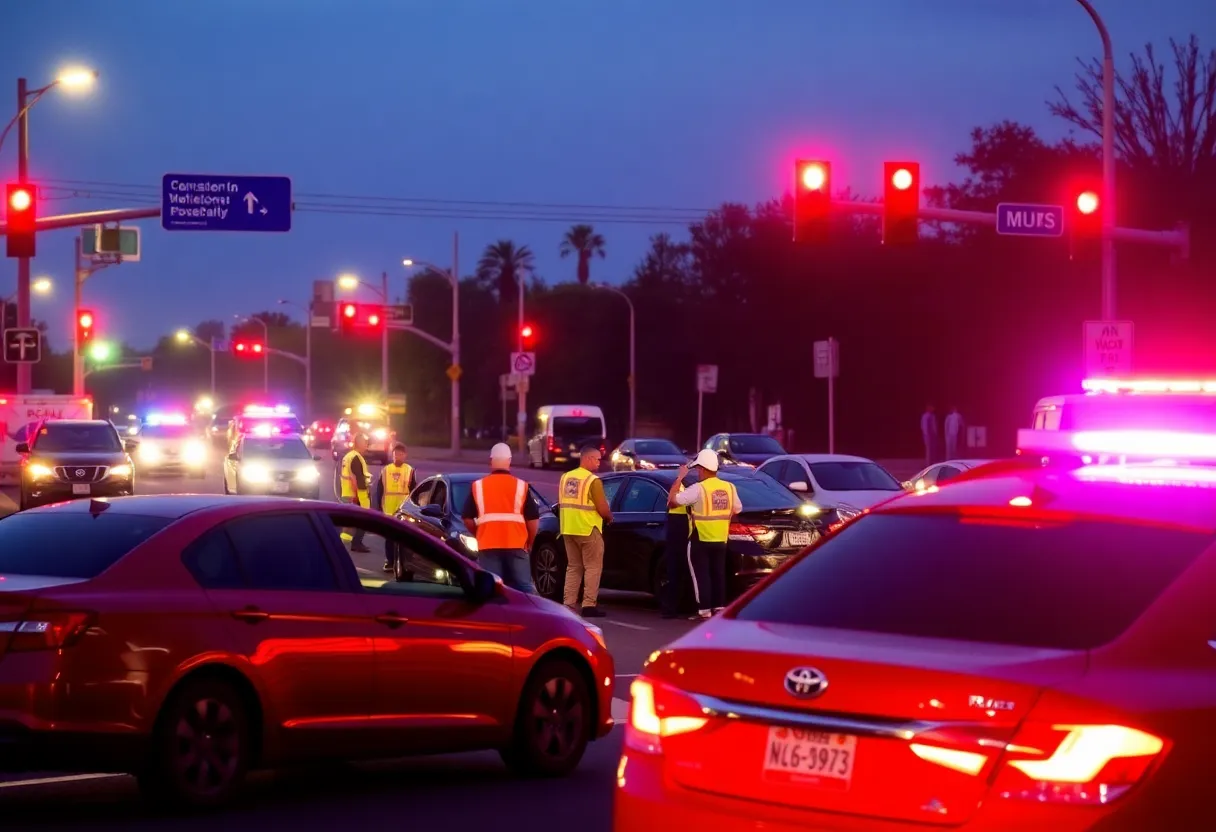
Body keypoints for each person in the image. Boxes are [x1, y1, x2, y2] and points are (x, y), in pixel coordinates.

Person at [666, 449, 741, 620]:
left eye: (699, 469)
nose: (698, 472)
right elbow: (737, 508)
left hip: (700, 539)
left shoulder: (698, 489)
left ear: (703, 469)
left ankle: (704, 611)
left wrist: (679, 478)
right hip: (720, 539)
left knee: (701, 576)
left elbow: (672, 502)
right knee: (718, 574)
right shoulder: (730, 487)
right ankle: (719, 609)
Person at [461, 442, 539, 593]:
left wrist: (479, 533)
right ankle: (527, 616)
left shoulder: (478, 486)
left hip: (488, 544)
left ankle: (493, 616)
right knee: (524, 588)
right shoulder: (521, 486)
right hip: (516, 543)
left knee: (491, 588)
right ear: (509, 460)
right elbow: (533, 519)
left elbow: (467, 518)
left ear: (491, 461)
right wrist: (529, 542)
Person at [559, 445, 614, 618]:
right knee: (593, 567)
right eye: (597, 459)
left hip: (568, 528)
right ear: (588, 458)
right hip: (588, 528)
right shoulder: (592, 480)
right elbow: (602, 508)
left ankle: (568, 604)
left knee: (573, 567)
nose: (599, 463)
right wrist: (609, 518)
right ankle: (589, 605)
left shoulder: (565, 477)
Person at [373, 442, 416, 571]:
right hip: (388, 509)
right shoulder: (386, 470)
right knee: (390, 538)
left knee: (403, 538)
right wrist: (378, 508)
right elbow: (379, 490)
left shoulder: (410, 470)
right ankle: (390, 561)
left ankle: (403, 562)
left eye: (401, 454)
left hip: (404, 510)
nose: (398, 456)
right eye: (395, 454)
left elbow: (413, 491)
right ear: (392, 455)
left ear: (405, 456)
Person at [660, 475, 691, 619]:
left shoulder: (686, 492)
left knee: (675, 571)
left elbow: (671, 501)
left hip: (679, 532)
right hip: (689, 534)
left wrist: (680, 477)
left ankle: (671, 607)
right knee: (681, 571)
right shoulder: (696, 490)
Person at [339, 433, 371, 553]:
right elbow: (355, 478)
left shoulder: (348, 456)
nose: (366, 446)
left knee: (348, 522)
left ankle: (343, 544)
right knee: (362, 520)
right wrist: (357, 495)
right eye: (365, 443)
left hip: (347, 493)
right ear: (359, 443)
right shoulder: (356, 457)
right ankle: (355, 544)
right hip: (356, 495)